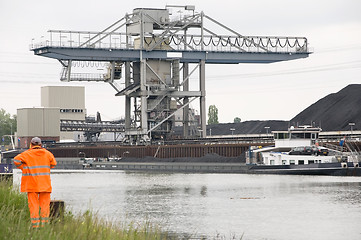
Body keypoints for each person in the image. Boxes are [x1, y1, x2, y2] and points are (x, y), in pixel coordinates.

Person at [13, 137, 57, 228]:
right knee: (45, 206)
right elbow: (53, 164)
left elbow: (16, 160)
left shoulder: (27, 154)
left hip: (31, 184)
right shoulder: (48, 154)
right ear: (40, 145)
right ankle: (45, 226)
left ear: (31, 145)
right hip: (45, 184)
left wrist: (24, 168)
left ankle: (35, 226)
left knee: (34, 205)